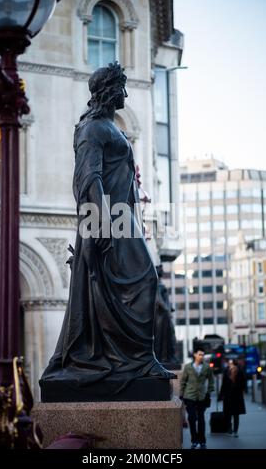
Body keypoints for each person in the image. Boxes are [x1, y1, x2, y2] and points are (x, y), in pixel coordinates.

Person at [40, 62, 174, 400]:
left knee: (139, 284)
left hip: (121, 216)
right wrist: (100, 224)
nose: (126, 94)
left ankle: (137, 359)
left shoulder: (108, 128)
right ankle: (136, 360)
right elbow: (89, 178)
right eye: (122, 87)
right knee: (144, 281)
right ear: (109, 90)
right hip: (109, 218)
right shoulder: (92, 129)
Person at [180, 348, 215, 449]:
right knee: (191, 418)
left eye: (203, 355)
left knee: (201, 419)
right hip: (189, 396)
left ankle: (202, 441)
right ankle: (194, 441)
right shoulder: (187, 367)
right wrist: (181, 394)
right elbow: (183, 381)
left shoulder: (207, 367)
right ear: (195, 355)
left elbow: (211, 381)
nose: (202, 356)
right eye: (200, 354)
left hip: (201, 397)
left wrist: (209, 392)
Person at [218, 358, 246, 437]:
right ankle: (229, 428)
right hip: (228, 395)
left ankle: (235, 430)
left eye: (230, 363)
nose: (229, 364)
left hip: (236, 396)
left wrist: (239, 389)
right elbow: (223, 384)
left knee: (236, 414)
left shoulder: (240, 371)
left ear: (234, 363)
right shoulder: (226, 371)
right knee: (228, 414)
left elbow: (243, 383)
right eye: (229, 363)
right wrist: (221, 395)